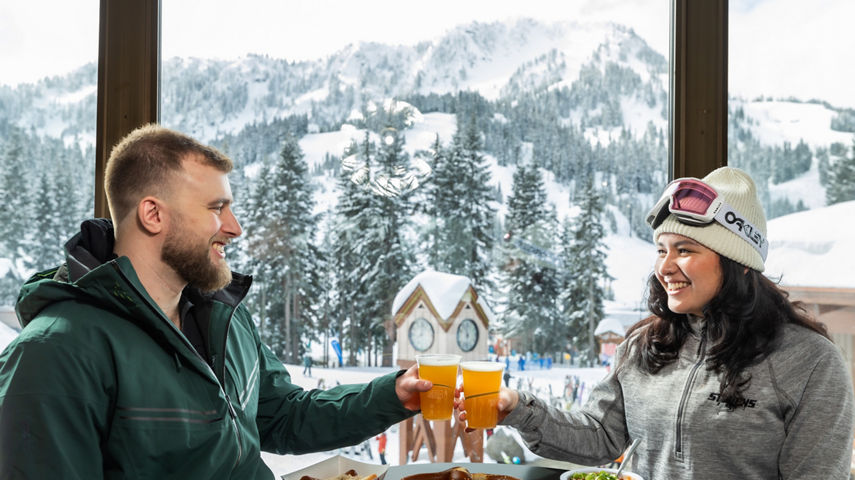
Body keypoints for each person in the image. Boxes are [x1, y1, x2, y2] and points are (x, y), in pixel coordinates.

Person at [0, 125, 432, 479]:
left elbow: (280, 415)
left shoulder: (221, 314)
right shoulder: (52, 354)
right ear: (153, 215)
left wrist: (392, 395)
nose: (235, 227)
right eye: (216, 207)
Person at [457, 167, 855, 478]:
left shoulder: (810, 362)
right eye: (661, 249)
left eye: (685, 250)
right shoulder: (647, 344)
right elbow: (600, 435)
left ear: (738, 262)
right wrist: (516, 409)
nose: (665, 267)